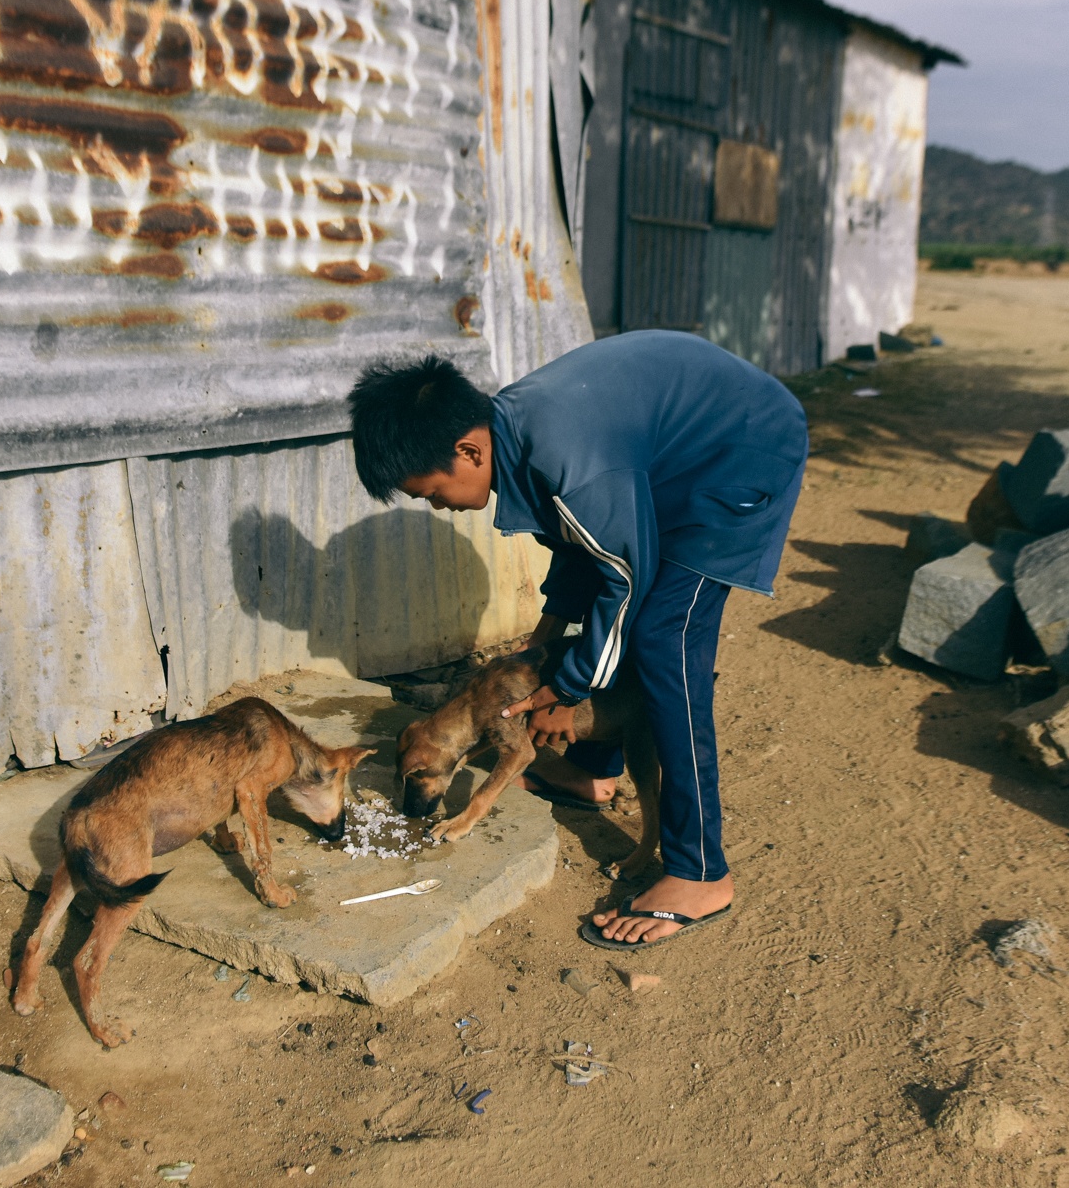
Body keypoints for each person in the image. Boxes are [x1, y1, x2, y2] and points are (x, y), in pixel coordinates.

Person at [346, 331, 808, 947]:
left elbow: (622, 572)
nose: (436, 507)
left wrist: (567, 687)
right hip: (674, 455)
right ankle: (593, 772)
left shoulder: (567, 455)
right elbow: (579, 546)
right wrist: (539, 647)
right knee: (618, 614)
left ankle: (700, 872)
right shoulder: (515, 435)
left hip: (740, 450)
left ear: (468, 450)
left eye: (431, 492)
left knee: (664, 639)